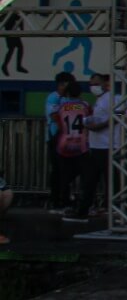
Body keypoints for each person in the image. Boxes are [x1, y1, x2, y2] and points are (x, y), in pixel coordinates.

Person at [76, 73, 123, 223]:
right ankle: (84, 210)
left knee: (110, 181)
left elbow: (117, 117)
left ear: (105, 83)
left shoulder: (114, 98)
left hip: (109, 146)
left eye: (96, 84)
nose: (93, 87)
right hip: (96, 146)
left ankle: (115, 211)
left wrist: (97, 126)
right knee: (90, 180)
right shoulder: (99, 100)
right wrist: (90, 123)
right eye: (91, 84)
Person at [54, 81, 91, 216]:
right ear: (80, 93)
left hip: (64, 145)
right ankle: (82, 203)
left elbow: (57, 122)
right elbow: (90, 120)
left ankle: (65, 203)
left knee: (64, 177)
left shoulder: (61, 106)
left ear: (68, 93)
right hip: (82, 145)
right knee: (85, 175)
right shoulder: (85, 105)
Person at [44, 71, 73, 211]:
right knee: (56, 170)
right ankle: (55, 200)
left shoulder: (68, 99)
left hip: (67, 139)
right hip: (55, 138)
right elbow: (54, 116)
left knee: (66, 170)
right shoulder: (53, 97)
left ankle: (65, 199)